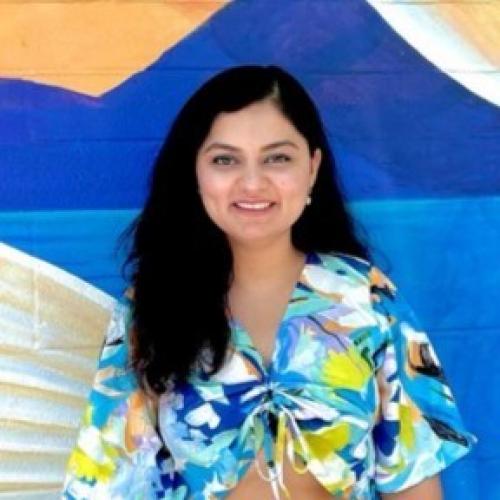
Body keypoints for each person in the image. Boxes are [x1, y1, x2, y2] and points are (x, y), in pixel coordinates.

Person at [61, 64, 477, 499]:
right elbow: (107, 482)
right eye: (225, 160)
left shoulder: (364, 297)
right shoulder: (148, 311)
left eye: (277, 158)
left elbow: (414, 479)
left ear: (312, 167)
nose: (252, 183)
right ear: (194, 173)